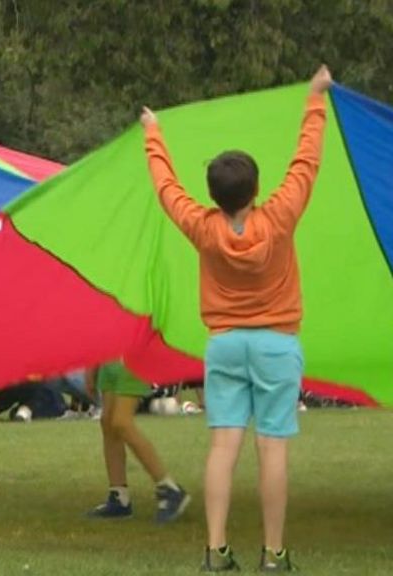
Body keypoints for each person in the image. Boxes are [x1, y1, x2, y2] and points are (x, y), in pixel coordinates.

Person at [141, 65, 332, 572]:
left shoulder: (202, 227)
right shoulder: (280, 215)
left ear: (214, 194)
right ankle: (273, 554)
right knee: (272, 449)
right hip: (276, 345)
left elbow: (166, 190)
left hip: (224, 345)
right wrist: (315, 99)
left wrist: (153, 134)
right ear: (256, 188)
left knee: (223, 444)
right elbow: (306, 162)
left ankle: (216, 550)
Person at [85, 362, 189, 523]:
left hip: (131, 358)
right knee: (108, 422)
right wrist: (91, 368)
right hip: (108, 360)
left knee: (121, 422)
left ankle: (170, 488)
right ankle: (119, 497)